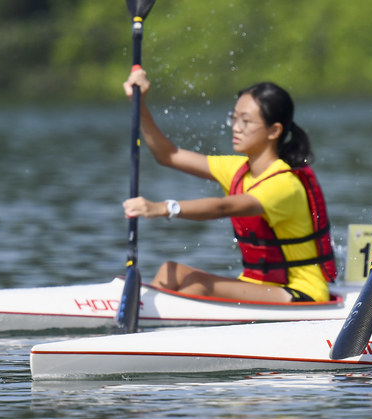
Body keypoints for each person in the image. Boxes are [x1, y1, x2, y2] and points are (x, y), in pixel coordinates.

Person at [121, 67, 336, 302]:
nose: (235, 127)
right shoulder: (236, 169)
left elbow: (223, 208)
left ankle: (158, 330)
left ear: (274, 131)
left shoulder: (285, 184)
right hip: (258, 284)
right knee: (169, 270)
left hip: (301, 292)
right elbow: (167, 154)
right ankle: (143, 322)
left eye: (245, 121)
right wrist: (138, 104)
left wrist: (163, 208)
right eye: (234, 118)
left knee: (198, 285)